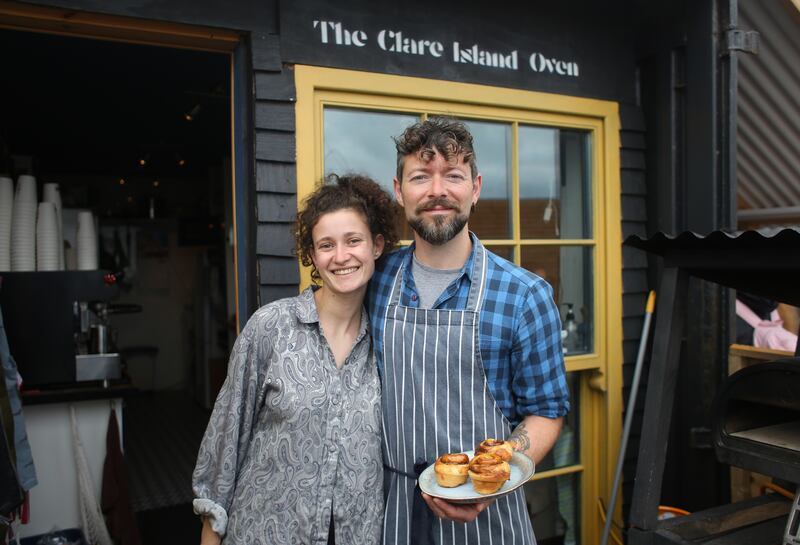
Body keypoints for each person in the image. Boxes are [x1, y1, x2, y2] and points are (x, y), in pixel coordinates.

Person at [366, 117, 570, 545]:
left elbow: (547, 411)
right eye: (420, 176)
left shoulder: (524, 295)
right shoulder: (375, 280)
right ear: (399, 190)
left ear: (475, 188)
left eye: (453, 176)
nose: (437, 191)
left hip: (490, 519)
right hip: (392, 515)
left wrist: (494, 475)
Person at [192, 174, 399, 545]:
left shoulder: (385, 343)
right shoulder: (271, 328)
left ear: (377, 246)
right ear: (312, 255)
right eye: (326, 245)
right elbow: (224, 442)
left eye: (354, 241)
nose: (341, 256)